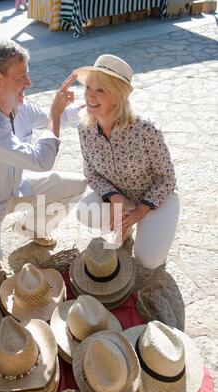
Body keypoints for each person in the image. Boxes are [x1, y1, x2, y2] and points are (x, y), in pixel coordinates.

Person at [0, 39, 87, 275]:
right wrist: (55, 111)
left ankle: (32, 227)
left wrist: (93, 106)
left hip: (18, 189)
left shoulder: (19, 106)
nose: (29, 83)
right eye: (21, 76)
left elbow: (54, 120)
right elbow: (42, 160)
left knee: (77, 185)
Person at [74, 54, 179, 272]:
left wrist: (140, 211)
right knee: (85, 211)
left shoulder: (146, 129)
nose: (89, 96)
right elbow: (91, 173)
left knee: (148, 260)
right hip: (122, 197)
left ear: (117, 97)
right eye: (88, 88)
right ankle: (127, 226)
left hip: (156, 198)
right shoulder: (84, 129)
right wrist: (115, 200)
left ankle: (145, 226)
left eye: (100, 90)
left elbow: (167, 178)